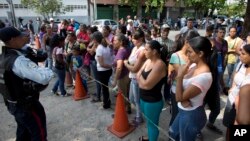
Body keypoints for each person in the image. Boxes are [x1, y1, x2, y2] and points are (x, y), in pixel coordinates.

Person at [0, 26, 53, 140]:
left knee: (23, 131)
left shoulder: (4, 56)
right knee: (39, 134)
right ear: (12, 39)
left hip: (12, 103)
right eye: (20, 36)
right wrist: (48, 69)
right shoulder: (18, 61)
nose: (24, 37)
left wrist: (33, 55)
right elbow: (44, 77)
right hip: (26, 106)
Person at [169, 36, 213, 141]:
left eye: (190, 52)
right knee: (172, 133)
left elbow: (178, 97)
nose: (187, 54)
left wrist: (179, 76)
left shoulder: (204, 77)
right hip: (184, 110)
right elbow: (181, 94)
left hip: (191, 114)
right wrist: (184, 98)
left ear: (200, 54)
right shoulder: (193, 65)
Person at [137, 40, 167, 141]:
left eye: (146, 49)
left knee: (152, 125)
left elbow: (146, 86)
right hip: (143, 98)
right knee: (149, 123)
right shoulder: (148, 61)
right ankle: (150, 138)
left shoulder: (160, 64)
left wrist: (141, 80)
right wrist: (142, 80)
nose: (144, 51)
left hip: (152, 102)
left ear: (154, 51)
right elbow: (137, 75)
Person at [223, 44, 250, 140]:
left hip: (245, 107)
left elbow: (243, 120)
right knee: (229, 125)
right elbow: (234, 75)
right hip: (232, 101)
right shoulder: (241, 65)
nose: (240, 56)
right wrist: (232, 88)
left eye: (243, 54)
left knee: (240, 131)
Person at [124, 30, 146, 125]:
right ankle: (140, 113)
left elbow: (134, 69)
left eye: (134, 38)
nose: (132, 40)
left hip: (137, 78)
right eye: (132, 38)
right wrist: (129, 64)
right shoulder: (135, 48)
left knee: (136, 100)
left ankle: (139, 117)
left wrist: (125, 63)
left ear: (140, 39)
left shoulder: (142, 50)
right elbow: (131, 61)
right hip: (132, 77)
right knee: (132, 99)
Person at [93, 31, 113, 108]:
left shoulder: (99, 48)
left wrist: (109, 66)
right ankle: (107, 101)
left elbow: (102, 64)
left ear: (95, 40)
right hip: (107, 70)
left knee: (104, 88)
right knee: (105, 87)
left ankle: (106, 103)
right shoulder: (106, 46)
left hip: (102, 71)